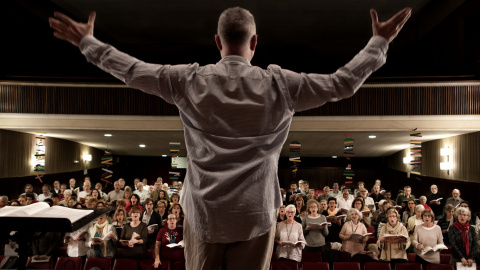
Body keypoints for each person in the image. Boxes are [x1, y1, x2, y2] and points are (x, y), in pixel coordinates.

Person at [49, 6, 412, 269]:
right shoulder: (281, 85)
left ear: (217, 42)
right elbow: (342, 83)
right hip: (256, 215)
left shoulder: (189, 80)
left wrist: (87, 43)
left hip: (204, 214)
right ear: (255, 41)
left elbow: (130, 71)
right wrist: (378, 42)